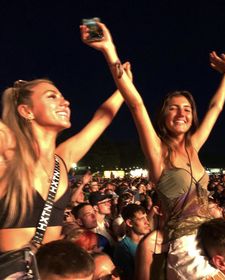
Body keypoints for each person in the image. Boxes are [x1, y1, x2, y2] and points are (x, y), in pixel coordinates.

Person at [81, 22, 225, 279]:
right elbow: (136, 103)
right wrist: (109, 50)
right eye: (174, 107)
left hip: (212, 237)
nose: (181, 113)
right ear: (163, 115)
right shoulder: (157, 151)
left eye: (186, 108)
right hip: (186, 246)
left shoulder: (193, 146)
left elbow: (216, 108)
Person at [0, 67, 131, 277]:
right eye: (52, 96)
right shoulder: (7, 153)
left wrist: (122, 83)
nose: (65, 102)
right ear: (27, 111)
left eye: (63, 97)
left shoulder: (62, 160)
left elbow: (101, 119)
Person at [113, 203, 151, 279]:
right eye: (141, 219)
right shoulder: (123, 248)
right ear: (130, 223)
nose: (147, 222)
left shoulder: (150, 241)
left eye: (146, 217)